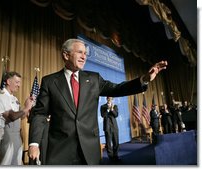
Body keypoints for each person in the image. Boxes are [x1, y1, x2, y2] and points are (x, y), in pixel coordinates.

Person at [28, 38, 168, 165]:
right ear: (66, 55)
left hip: (89, 150)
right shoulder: (50, 81)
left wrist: (144, 79)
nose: (84, 57)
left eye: (86, 54)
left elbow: (118, 88)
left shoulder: (94, 79)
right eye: (80, 52)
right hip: (60, 150)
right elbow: (40, 114)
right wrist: (34, 143)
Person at [0, 71, 35, 165]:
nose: (19, 85)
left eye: (19, 82)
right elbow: (11, 116)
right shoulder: (0, 97)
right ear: (8, 81)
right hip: (5, 137)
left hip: (17, 136)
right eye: (17, 82)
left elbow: (20, 117)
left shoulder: (14, 99)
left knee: (17, 163)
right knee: (5, 163)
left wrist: (27, 107)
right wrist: (26, 108)